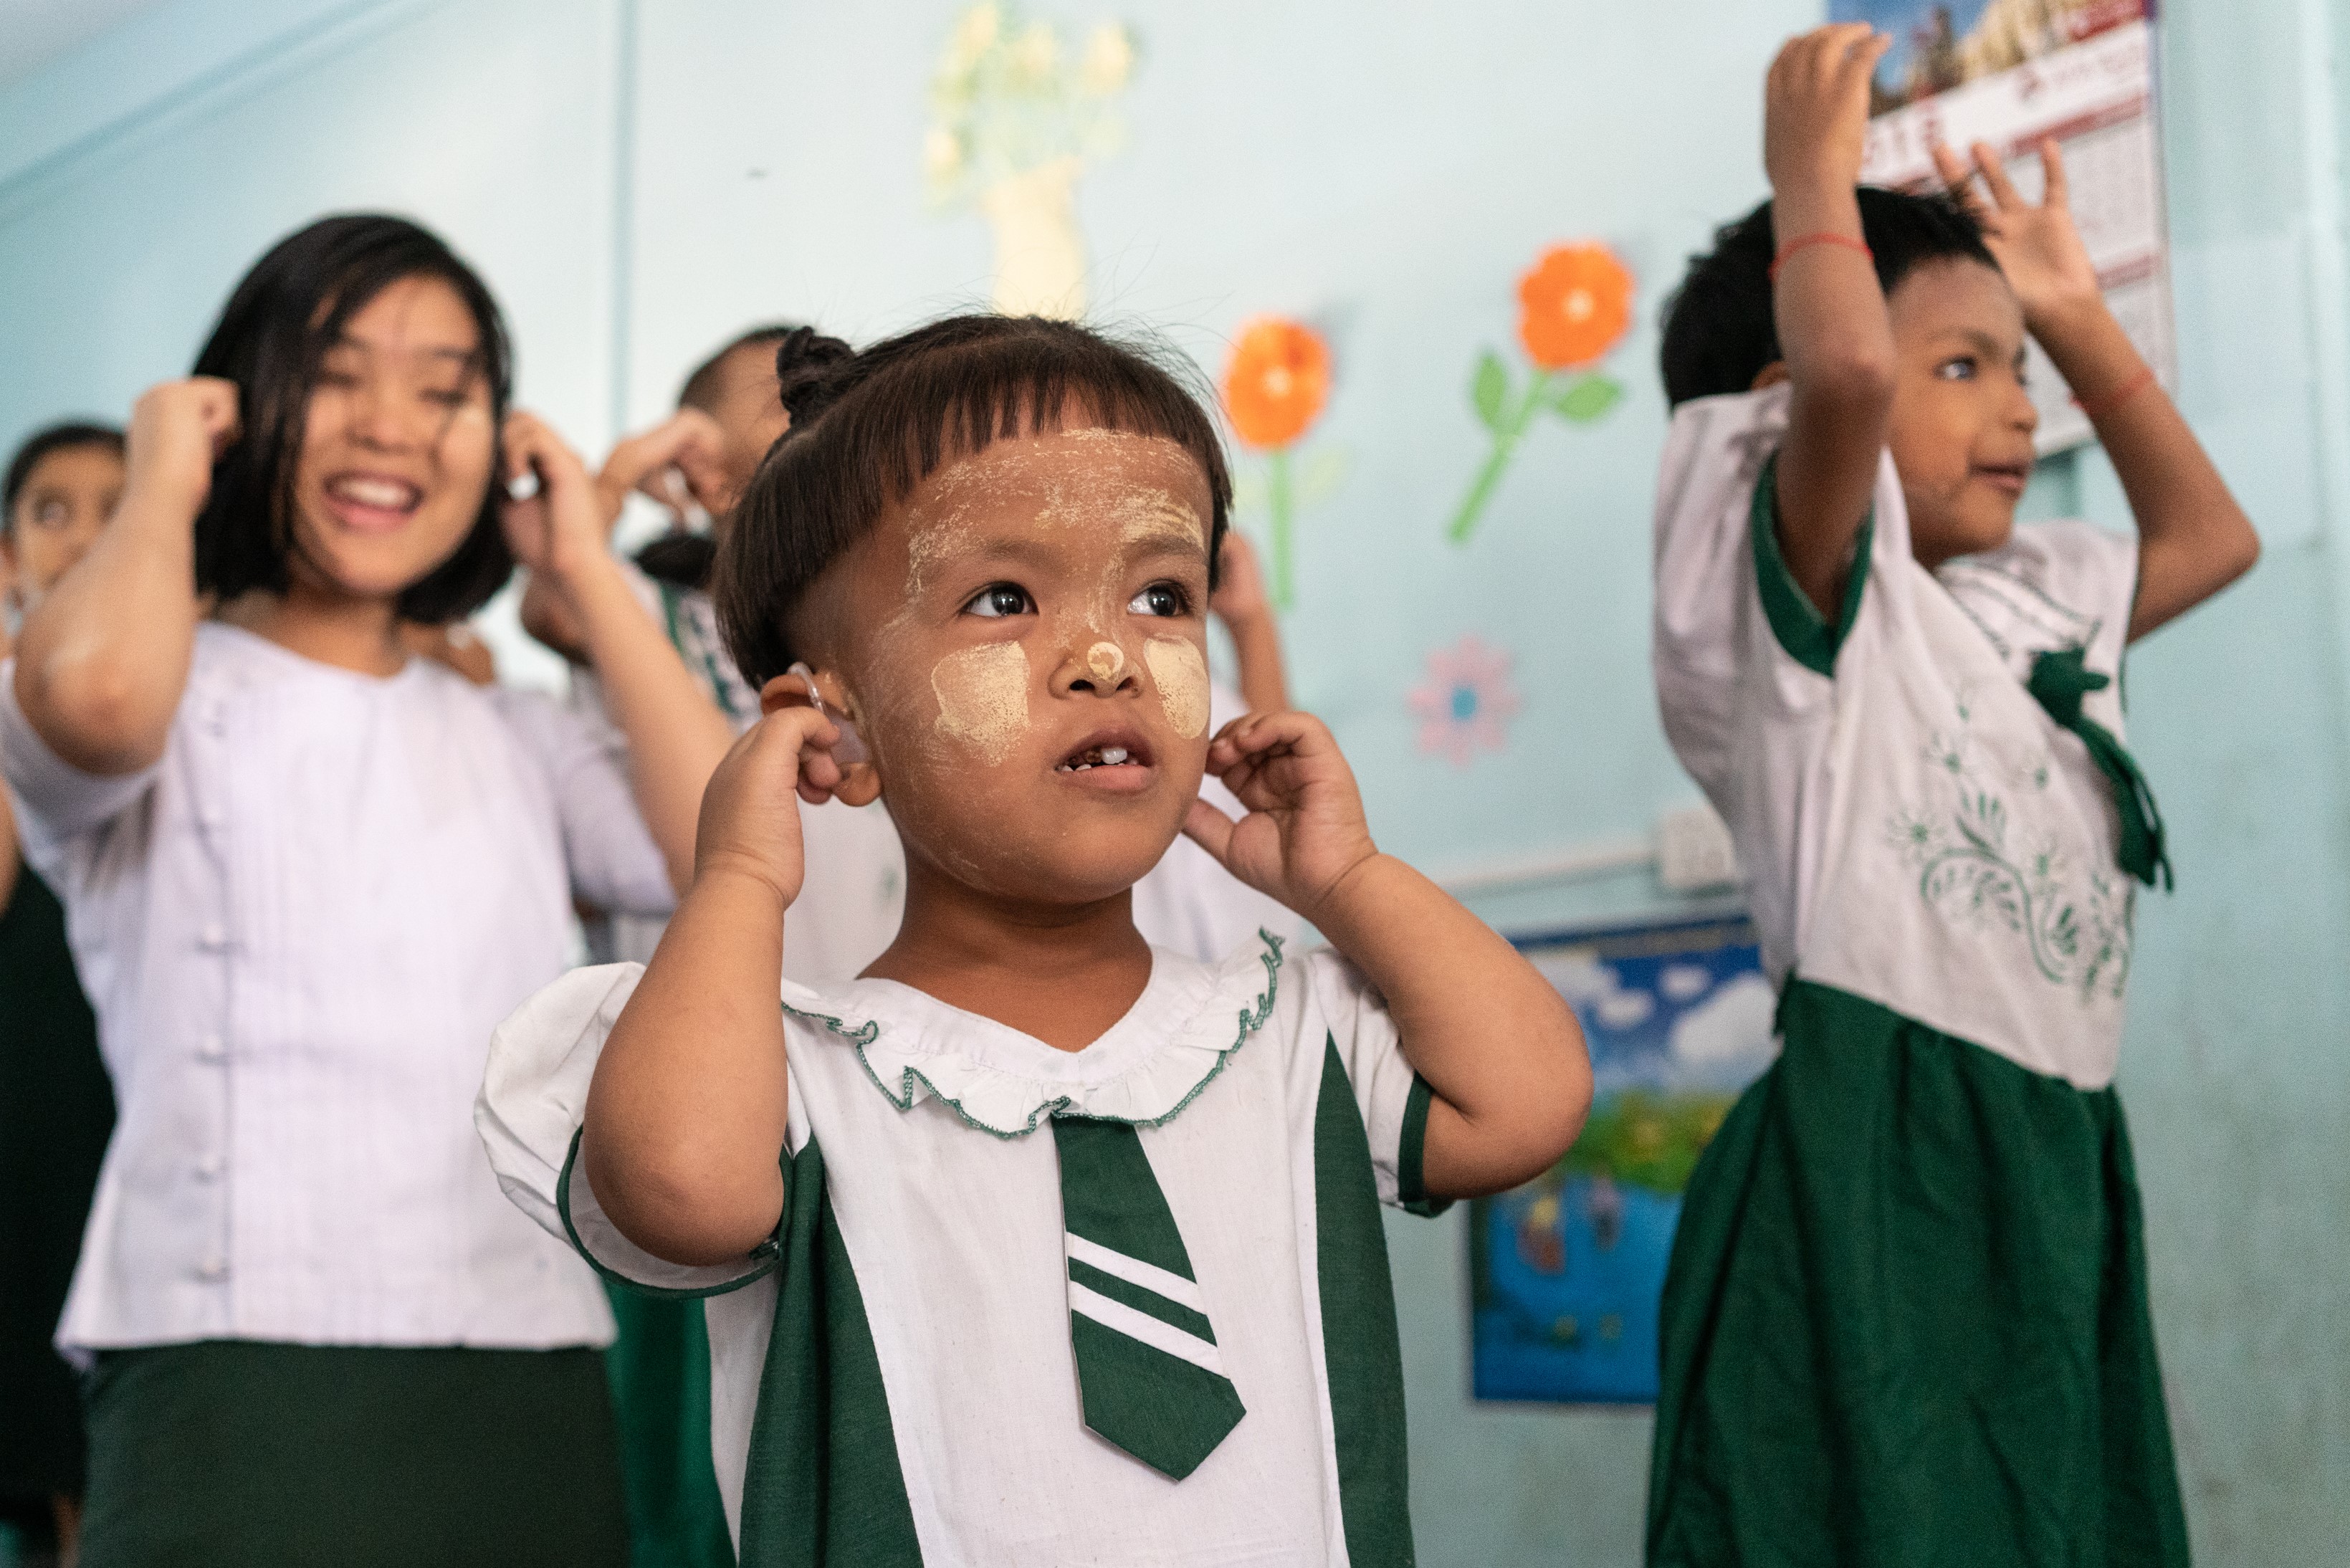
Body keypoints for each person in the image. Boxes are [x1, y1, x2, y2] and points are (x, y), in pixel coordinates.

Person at [477, 313, 1592, 1562]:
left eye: (1161, 594)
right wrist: (739, 872)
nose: (1108, 656)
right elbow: (676, 1186)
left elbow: (1532, 1100)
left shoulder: (1292, 1033)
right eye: (1005, 597)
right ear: (827, 714)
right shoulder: (799, 1085)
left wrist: (1347, 880)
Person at [0, 214, 735, 1567]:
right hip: (232, 1368)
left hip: (527, 1371)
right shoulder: (159, 693)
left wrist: (579, 564)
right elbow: (91, 699)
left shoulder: (512, 735)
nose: (392, 425)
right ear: (234, 405)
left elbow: (729, 860)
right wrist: (162, 479)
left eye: (447, 389)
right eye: (338, 373)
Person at [1645, 27, 2258, 1565]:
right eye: (1966, 367)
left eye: (2019, 372)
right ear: (1782, 408)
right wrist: (1806, 177)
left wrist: (2067, 309)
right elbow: (1843, 364)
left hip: (2049, 1153)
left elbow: (2209, 539)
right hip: (1873, 1163)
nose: (2016, 412)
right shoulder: (1804, 604)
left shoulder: (2028, 596)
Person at [0, 422, 123, 1568]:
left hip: (142, 1101)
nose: (86, 534)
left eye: (114, 507)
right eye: (52, 511)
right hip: (30, 1100)